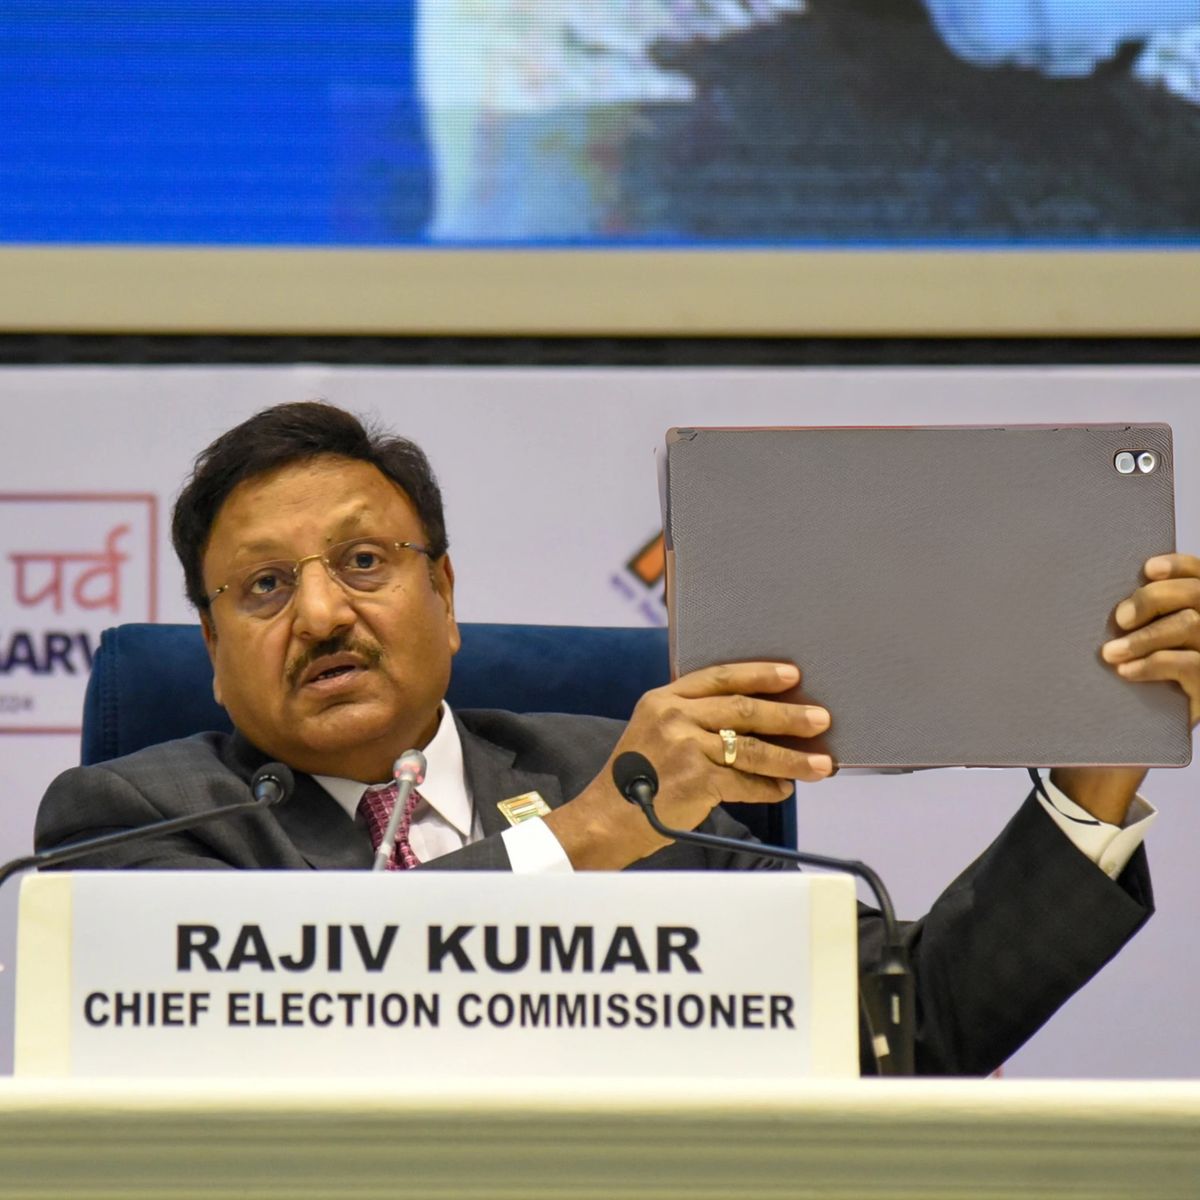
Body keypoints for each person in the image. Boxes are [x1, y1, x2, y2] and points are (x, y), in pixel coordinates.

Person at [36, 401, 1200, 1074]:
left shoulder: (628, 779)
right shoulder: (132, 824)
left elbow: (910, 1030)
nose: (325, 613)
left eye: (363, 562)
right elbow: (302, 1018)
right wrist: (595, 835)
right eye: (263, 586)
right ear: (208, 651)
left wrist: (1099, 766)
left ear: (446, 596)